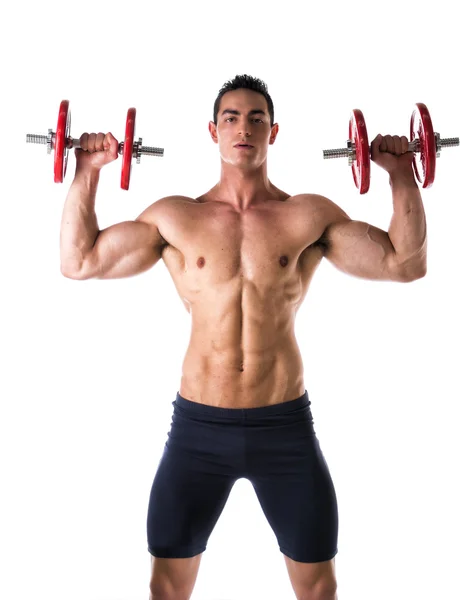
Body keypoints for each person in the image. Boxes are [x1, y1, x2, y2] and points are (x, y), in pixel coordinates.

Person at [60, 74, 427, 600]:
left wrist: (400, 173)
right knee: (166, 589)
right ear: (213, 131)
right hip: (197, 432)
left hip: (285, 430)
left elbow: (403, 264)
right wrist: (87, 169)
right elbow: (80, 261)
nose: (244, 128)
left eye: (257, 118)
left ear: (273, 132)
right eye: (231, 117)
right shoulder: (175, 217)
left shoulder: (307, 215)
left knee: (318, 589)